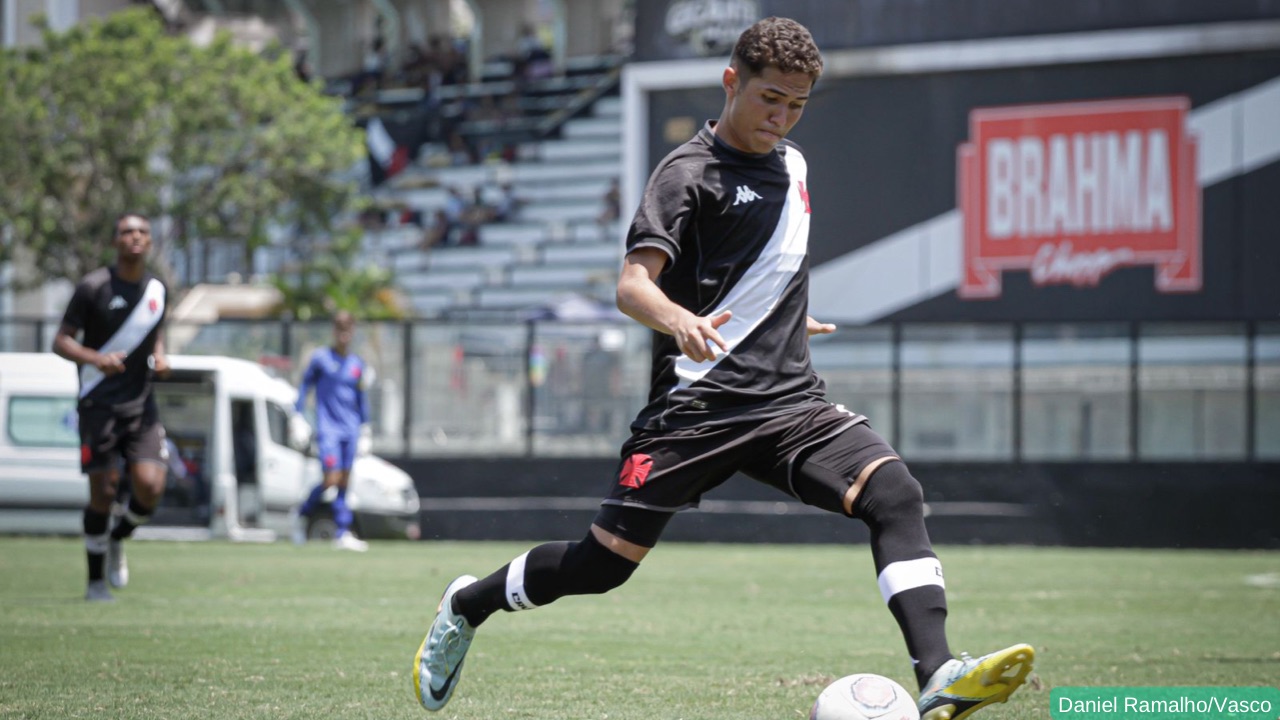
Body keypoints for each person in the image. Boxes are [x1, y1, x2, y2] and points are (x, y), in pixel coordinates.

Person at [411, 17, 1034, 720]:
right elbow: (632, 286)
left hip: (789, 402)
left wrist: (788, 318)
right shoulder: (687, 174)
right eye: (771, 98)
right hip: (695, 410)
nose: (782, 117)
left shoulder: (795, 165)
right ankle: (467, 603)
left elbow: (760, 266)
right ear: (731, 80)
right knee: (603, 566)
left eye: (796, 105)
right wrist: (680, 320)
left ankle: (939, 672)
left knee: (894, 493)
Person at [53, 213, 171, 603]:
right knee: (103, 492)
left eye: (141, 231)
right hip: (98, 402)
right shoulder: (93, 287)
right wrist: (94, 358)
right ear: (115, 240)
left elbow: (155, 332)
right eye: (126, 232)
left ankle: (118, 538)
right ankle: (95, 583)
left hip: (141, 404)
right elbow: (61, 341)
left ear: (149, 242)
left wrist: (161, 355)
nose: (134, 237)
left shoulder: (157, 288)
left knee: (151, 486)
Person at [290, 311, 373, 552]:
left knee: (345, 481)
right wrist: (298, 416)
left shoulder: (357, 365)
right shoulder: (321, 359)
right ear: (334, 331)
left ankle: (342, 532)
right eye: (340, 328)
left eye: (348, 328)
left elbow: (361, 398)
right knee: (331, 479)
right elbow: (305, 387)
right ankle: (301, 514)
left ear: (352, 331)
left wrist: (366, 427)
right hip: (329, 430)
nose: (344, 334)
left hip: (351, 429)